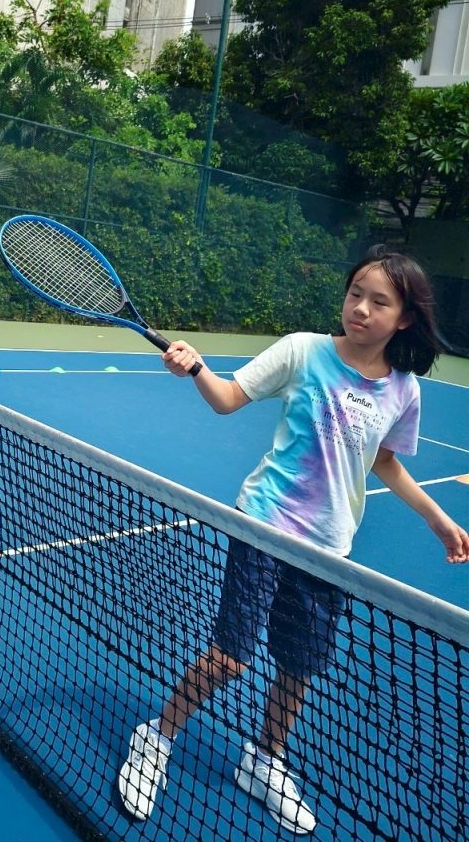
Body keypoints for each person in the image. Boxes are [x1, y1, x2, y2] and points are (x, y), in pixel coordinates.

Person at [117, 245, 469, 834]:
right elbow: (228, 399)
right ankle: (156, 736)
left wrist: (434, 516)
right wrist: (196, 367)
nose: (360, 308)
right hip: (265, 523)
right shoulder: (304, 350)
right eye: (355, 294)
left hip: (329, 548)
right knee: (230, 657)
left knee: (298, 667)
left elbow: (384, 460)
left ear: (405, 318)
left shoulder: (404, 390)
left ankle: (264, 759)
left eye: (379, 302)